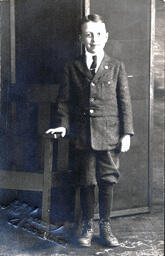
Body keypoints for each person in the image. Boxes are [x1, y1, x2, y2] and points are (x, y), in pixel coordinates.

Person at [46, 14, 134, 247]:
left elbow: (125, 102)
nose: (93, 39)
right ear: (81, 38)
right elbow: (63, 101)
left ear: (105, 37)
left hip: (110, 135)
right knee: (86, 180)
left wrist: (126, 133)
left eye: (98, 34)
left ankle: (105, 225)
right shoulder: (72, 67)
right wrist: (63, 126)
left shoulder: (116, 67)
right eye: (88, 34)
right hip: (83, 136)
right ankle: (87, 224)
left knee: (107, 180)